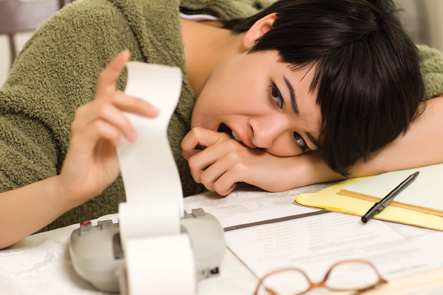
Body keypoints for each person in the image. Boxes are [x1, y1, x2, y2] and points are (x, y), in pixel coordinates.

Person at [0, 0, 442, 249]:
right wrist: (65, 190)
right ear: (263, 30)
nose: (263, 137)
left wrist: (295, 169)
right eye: (275, 95)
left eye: (301, 138)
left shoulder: (350, 66)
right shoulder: (87, 40)